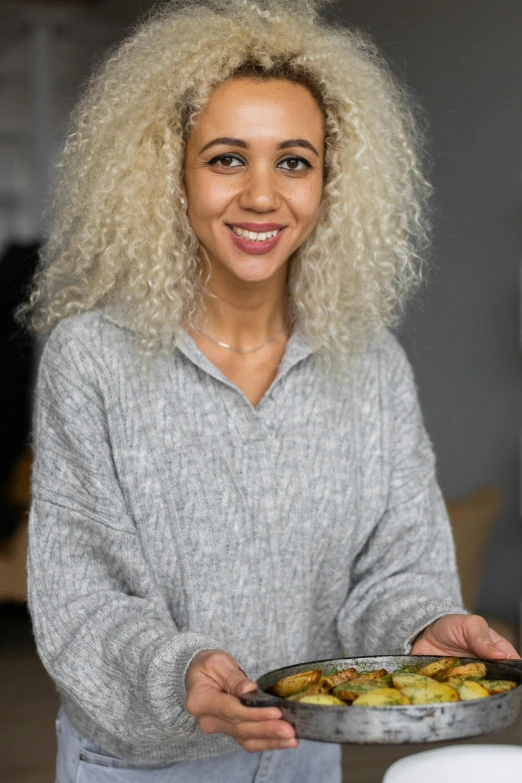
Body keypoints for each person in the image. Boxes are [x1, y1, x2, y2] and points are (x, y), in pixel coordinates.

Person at [22, 0, 519, 781]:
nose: (262, 195)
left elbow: (395, 567)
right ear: (169, 173)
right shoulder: (92, 360)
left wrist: (421, 625)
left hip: (303, 752)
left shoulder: (371, 363)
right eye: (226, 158)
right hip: (139, 763)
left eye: (294, 160)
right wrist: (178, 672)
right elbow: (81, 596)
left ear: (330, 182)